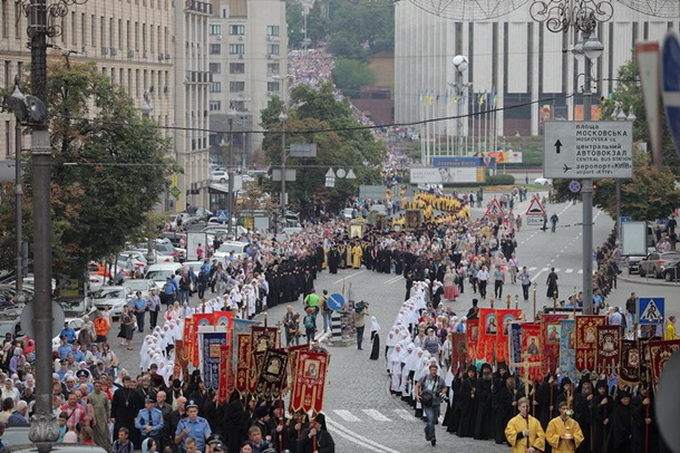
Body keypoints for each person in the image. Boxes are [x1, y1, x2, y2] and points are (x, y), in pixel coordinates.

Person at [415, 364, 447, 446]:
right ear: (429, 370)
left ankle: (427, 430)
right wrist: (417, 395)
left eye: (435, 370)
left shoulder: (440, 379)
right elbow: (417, 385)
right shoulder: (425, 378)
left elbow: (444, 387)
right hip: (427, 402)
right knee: (430, 419)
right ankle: (432, 437)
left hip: (436, 402)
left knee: (433, 420)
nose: (434, 372)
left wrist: (442, 392)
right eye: (432, 370)